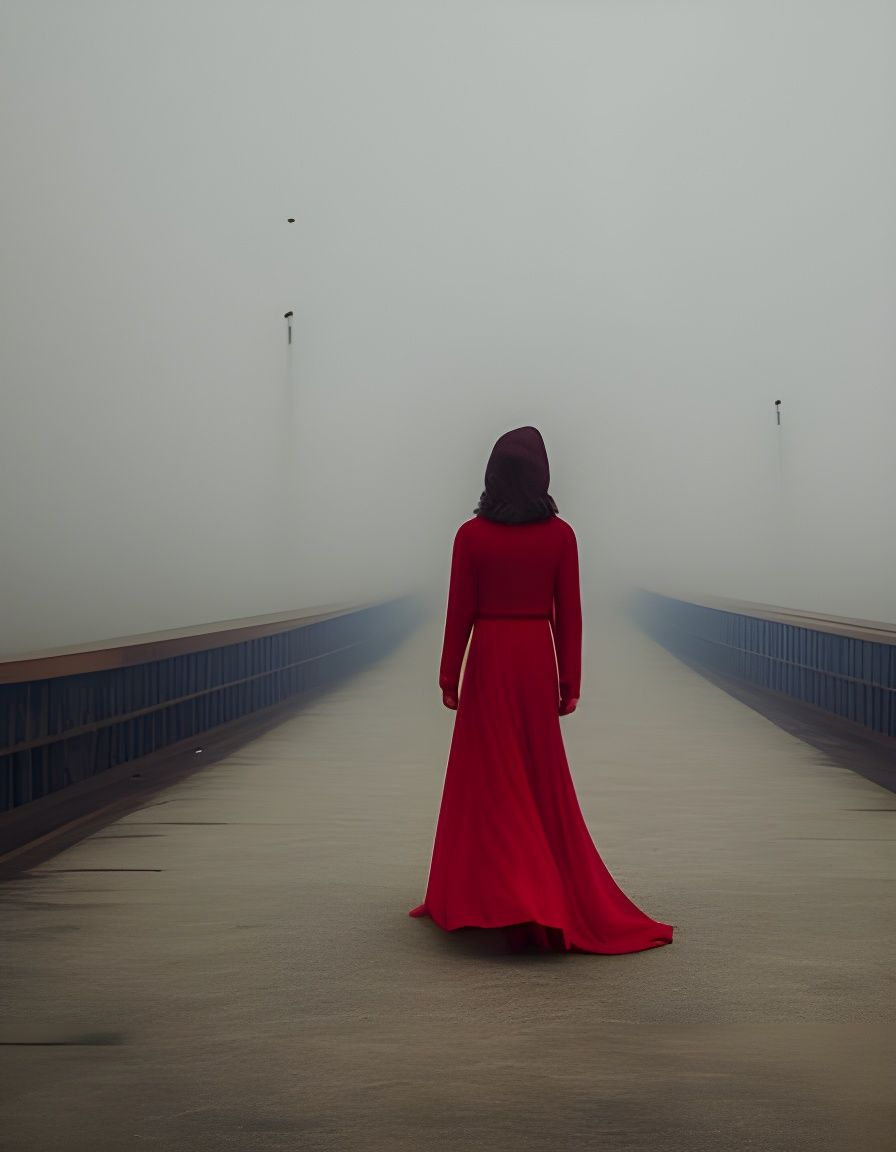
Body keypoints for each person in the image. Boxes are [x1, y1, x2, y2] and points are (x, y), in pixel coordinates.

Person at [409, 426, 674, 954]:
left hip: (489, 657)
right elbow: (568, 615)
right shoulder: (560, 536)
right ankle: (534, 892)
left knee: (488, 778)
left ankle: (499, 896)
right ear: (541, 475)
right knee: (535, 775)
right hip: (534, 657)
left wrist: (448, 675)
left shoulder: (471, 536)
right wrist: (569, 681)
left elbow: (458, 609)